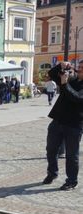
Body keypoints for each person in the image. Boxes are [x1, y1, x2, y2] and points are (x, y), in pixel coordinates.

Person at [42, 61, 83, 191]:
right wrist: (61, 66)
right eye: (79, 67)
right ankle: (52, 173)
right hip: (58, 121)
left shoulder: (69, 82)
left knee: (71, 155)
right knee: (51, 150)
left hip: (74, 124)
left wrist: (65, 84)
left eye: (82, 68)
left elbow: (77, 98)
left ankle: (71, 181)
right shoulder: (72, 79)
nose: (79, 69)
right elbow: (52, 74)